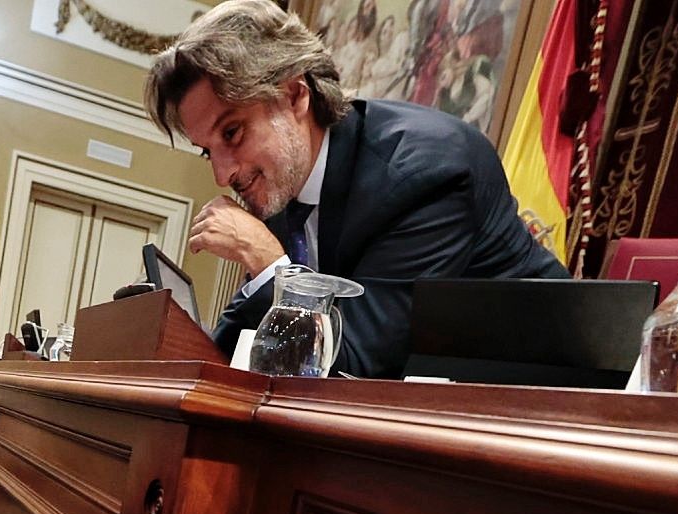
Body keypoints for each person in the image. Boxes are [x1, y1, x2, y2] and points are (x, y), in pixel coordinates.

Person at [144, 0, 567, 378]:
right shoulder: (284, 178)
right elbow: (241, 342)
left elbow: (357, 362)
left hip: (548, 407)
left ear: (294, 95)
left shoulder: (424, 172)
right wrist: (170, 348)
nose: (222, 175)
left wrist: (269, 263)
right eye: (207, 152)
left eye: (233, 133)